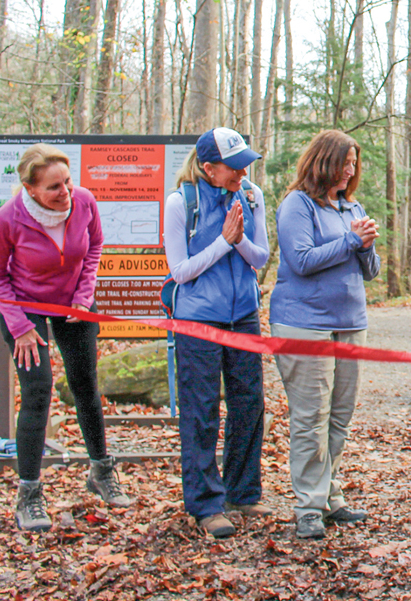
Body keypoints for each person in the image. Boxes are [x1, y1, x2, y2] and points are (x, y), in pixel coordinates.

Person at [0, 143, 132, 532]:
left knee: (85, 385)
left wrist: (84, 297)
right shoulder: (7, 219)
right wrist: (20, 328)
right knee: (38, 391)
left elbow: (94, 246)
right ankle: (29, 494)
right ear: (31, 189)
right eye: (53, 187)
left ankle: (101, 472)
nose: (65, 191)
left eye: (67, 181)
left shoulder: (83, 201)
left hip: (73, 304)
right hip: (24, 306)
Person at [270, 130, 380, 540]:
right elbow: (300, 261)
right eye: (344, 162)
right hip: (303, 322)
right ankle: (308, 507)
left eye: (354, 163)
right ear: (323, 162)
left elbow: (370, 270)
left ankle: (329, 494)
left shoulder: (351, 206)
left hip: (350, 321)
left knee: (339, 415)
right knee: (310, 418)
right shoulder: (297, 205)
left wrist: (365, 244)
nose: (350, 170)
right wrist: (351, 240)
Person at [163, 127, 269, 538]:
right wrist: (225, 242)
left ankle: (243, 492)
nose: (243, 173)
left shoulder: (253, 196)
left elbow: (259, 256)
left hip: (243, 315)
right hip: (197, 319)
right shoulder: (180, 203)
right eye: (234, 167)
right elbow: (180, 271)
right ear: (208, 168)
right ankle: (206, 504)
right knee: (201, 410)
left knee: (249, 405)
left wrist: (238, 241)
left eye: (246, 164)